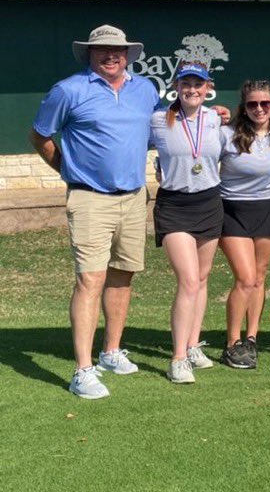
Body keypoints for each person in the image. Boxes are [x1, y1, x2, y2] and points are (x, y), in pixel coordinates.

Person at [30, 24, 159, 399]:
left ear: (128, 54)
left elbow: (168, 125)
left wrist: (213, 114)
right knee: (90, 280)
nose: (111, 55)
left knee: (122, 275)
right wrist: (66, 169)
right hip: (89, 199)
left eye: (118, 50)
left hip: (134, 196)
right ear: (89, 53)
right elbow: (39, 136)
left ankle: (110, 352)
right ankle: (82, 370)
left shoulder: (145, 89)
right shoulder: (68, 90)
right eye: (102, 50)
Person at [150, 62, 224, 384]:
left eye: (198, 84)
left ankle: (193, 345)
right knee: (189, 280)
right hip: (174, 205)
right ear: (176, 87)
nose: (192, 89)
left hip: (209, 202)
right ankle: (178, 358)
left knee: (203, 279)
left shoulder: (215, 119)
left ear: (207, 87)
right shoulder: (157, 121)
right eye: (186, 84)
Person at [217, 80, 270, 369]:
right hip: (232, 210)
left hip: (269, 208)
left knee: (259, 277)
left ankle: (251, 338)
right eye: (252, 104)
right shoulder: (226, 134)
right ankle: (232, 343)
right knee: (245, 278)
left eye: (265, 103)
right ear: (243, 107)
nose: (259, 109)